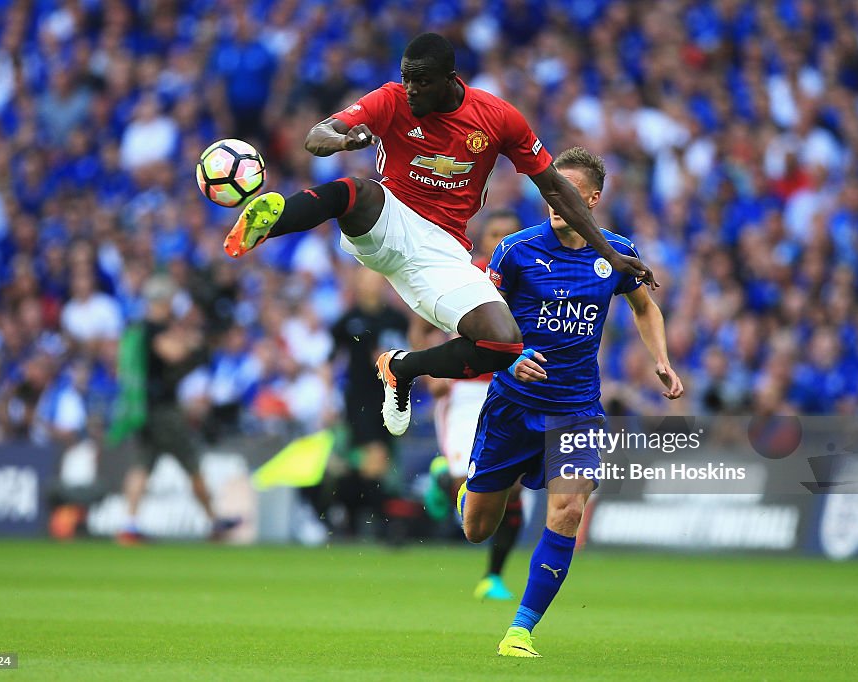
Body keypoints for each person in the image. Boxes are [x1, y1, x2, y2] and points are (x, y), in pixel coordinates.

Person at [222, 32, 655, 441]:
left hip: (443, 250)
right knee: (356, 191)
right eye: (407, 78)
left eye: (422, 82)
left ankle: (403, 369)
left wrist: (609, 253)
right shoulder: (390, 99)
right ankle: (270, 222)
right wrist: (341, 140)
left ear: (450, 80)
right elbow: (317, 135)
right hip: (389, 217)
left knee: (502, 342)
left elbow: (555, 186)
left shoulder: (497, 118)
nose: (410, 90)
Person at [456, 148, 684, 657]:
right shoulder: (514, 251)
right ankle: (465, 495)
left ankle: (520, 630)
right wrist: (509, 360)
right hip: (512, 403)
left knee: (566, 511)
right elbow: (475, 322)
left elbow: (646, 308)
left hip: (577, 408)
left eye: (568, 194)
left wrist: (661, 360)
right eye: (549, 191)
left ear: (593, 200)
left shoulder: (616, 253)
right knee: (477, 529)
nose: (555, 201)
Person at [419, 208, 525, 600]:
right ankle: (444, 476)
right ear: (483, 240)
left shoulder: (534, 275)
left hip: (513, 389)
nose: (500, 241)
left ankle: (494, 576)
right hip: (464, 388)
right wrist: (432, 371)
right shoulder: (465, 274)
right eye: (494, 233)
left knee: (512, 488)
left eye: (508, 234)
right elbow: (424, 321)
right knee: (468, 483)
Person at [117, 275, 239, 544]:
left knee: (142, 465)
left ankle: (129, 523)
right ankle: (213, 521)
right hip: (163, 411)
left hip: (145, 410)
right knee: (191, 463)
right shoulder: (153, 329)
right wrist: (197, 346)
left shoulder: (138, 329)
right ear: (160, 300)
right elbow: (173, 354)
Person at [328, 267, 409, 535]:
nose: (372, 285)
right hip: (359, 400)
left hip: (389, 397)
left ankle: (345, 513)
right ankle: (386, 525)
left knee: (375, 464)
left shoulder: (396, 320)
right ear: (359, 285)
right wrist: (328, 399)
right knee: (375, 457)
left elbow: (410, 355)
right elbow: (330, 361)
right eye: (367, 280)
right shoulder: (348, 320)